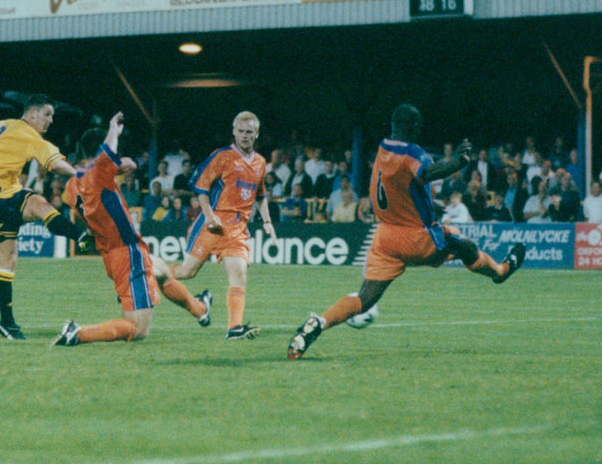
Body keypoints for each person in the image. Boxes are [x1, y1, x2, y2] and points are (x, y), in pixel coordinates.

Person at [287, 104, 525, 360]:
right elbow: (428, 173)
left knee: (364, 299)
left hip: (385, 237)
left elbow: (399, 185)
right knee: (463, 245)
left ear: (393, 125)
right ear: (415, 127)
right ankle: (500, 271)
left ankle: (317, 325)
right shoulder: (413, 153)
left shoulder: (383, 148)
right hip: (415, 238)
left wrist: (425, 204)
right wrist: (458, 162)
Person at [53, 113, 211, 346]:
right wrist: (113, 130)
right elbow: (111, 156)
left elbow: (108, 168)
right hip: (128, 253)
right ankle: (79, 333)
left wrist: (118, 165)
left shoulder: (71, 186)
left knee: (162, 271)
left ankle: (200, 309)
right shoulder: (98, 173)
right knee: (138, 329)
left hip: (111, 254)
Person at [0, 94, 90, 340]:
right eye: (47, 114)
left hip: (6, 193)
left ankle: (81, 236)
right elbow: (55, 164)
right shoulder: (29, 135)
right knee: (7, 260)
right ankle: (6, 323)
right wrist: (80, 175)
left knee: (40, 205)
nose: (50, 120)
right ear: (32, 113)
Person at [173, 111, 276, 340]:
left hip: (237, 229)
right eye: (241, 131)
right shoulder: (222, 156)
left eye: (249, 132)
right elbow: (201, 188)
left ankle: (234, 327)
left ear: (257, 134)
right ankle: (146, 278)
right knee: (186, 272)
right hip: (213, 225)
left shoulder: (260, 162)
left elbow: (260, 195)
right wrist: (209, 216)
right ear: (234, 131)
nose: (245, 135)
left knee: (239, 274)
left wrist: (267, 221)